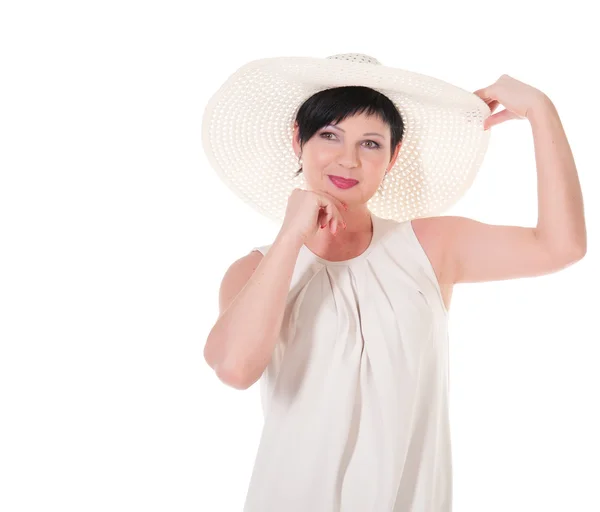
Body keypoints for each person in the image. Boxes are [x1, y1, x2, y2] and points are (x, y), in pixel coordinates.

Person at [201, 54, 586, 511]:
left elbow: (561, 246)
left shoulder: (429, 246)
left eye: (370, 143)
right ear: (297, 141)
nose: (348, 158)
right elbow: (234, 369)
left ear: (392, 157)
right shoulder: (255, 270)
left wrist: (541, 111)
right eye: (329, 135)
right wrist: (290, 236)